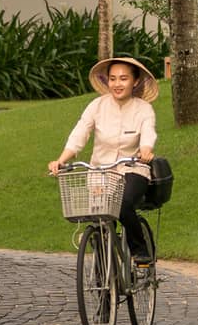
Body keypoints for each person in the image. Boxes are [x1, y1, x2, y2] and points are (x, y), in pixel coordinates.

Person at [47, 57, 158, 264]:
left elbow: (148, 132)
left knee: (123, 204)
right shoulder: (96, 106)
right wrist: (61, 160)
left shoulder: (143, 109)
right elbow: (80, 133)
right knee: (98, 222)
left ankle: (139, 250)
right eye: (113, 79)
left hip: (132, 170)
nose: (117, 84)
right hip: (100, 173)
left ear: (135, 81)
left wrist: (146, 150)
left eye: (123, 78)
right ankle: (106, 286)